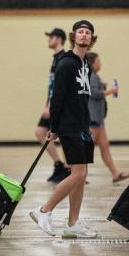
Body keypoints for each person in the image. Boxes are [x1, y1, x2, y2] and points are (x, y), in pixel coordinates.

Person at [30, 20, 98, 239]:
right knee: (78, 173)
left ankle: (73, 223)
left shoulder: (85, 63)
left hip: (82, 125)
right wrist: (55, 127)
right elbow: (57, 97)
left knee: (81, 173)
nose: (84, 35)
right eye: (80, 32)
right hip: (69, 126)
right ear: (73, 36)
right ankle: (44, 211)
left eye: (88, 32)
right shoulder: (66, 63)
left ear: (92, 38)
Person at [85, 52, 129, 184]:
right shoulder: (91, 76)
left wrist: (103, 86)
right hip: (92, 119)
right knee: (86, 148)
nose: (100, 64)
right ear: (92, 64)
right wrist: (110, 91)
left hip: (98, 119)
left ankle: (115, 173)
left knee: (104, 146)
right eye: (98, 62)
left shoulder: (94, 76)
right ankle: (79, 174)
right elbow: (94, 94)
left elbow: (95, 89)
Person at [36, 28, 70, 183]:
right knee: (40, 132)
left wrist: (51, 106)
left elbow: (59, 86)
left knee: (57, 135)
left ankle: (67, 168)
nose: (48, 40)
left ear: (59, 39)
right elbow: (52, 85)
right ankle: (60, 165)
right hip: (52, 103)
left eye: (51, 37)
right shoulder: (56, 57)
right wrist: (47, 104)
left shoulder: (62, 57)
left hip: (58, 105)